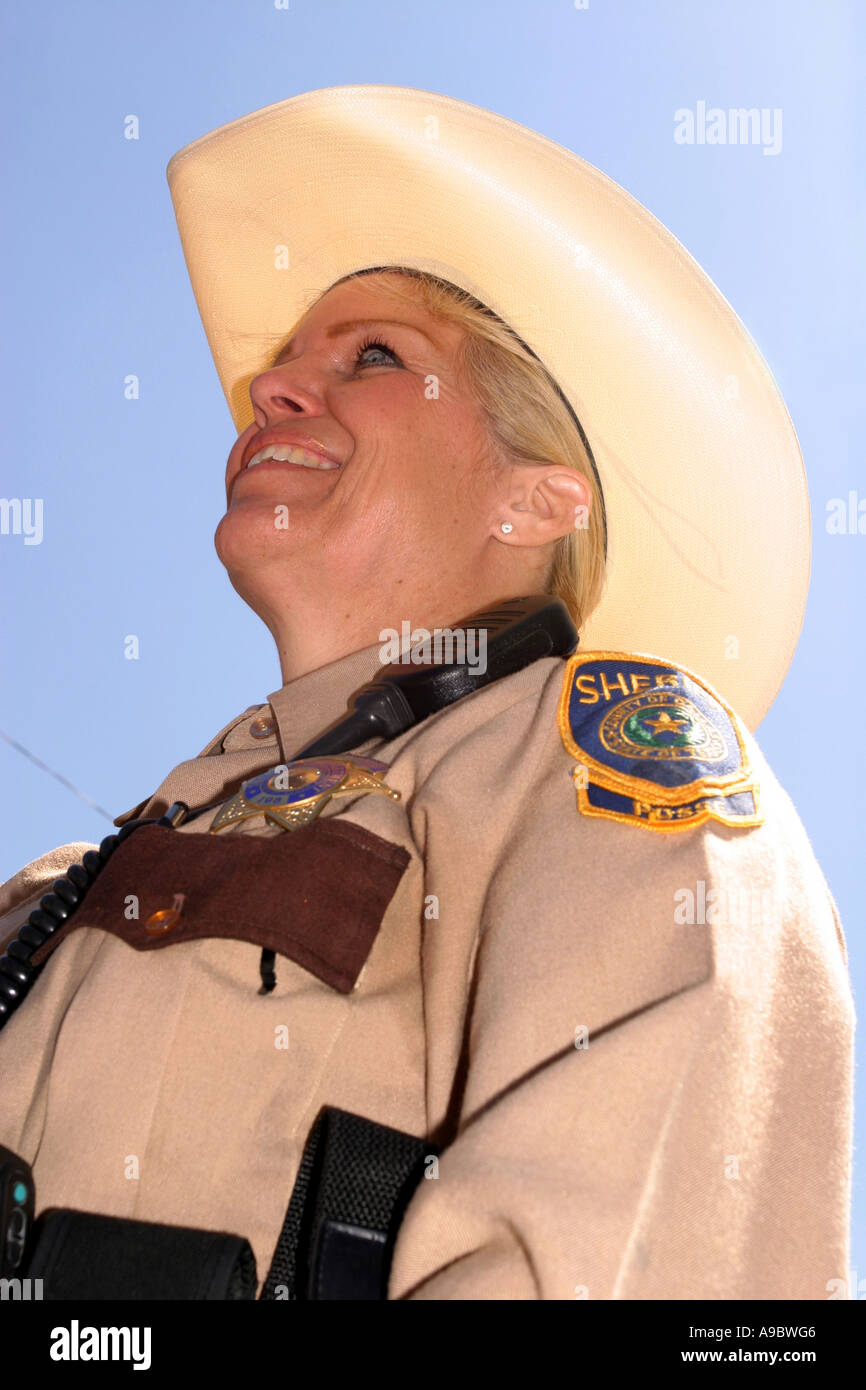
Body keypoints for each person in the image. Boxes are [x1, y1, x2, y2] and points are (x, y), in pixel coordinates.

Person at [0, 86, 853, 1301]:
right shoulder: (50, 893)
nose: (273, 391)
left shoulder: (591, 754)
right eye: (284, 364)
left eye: (374, 357)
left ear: (533, 501)